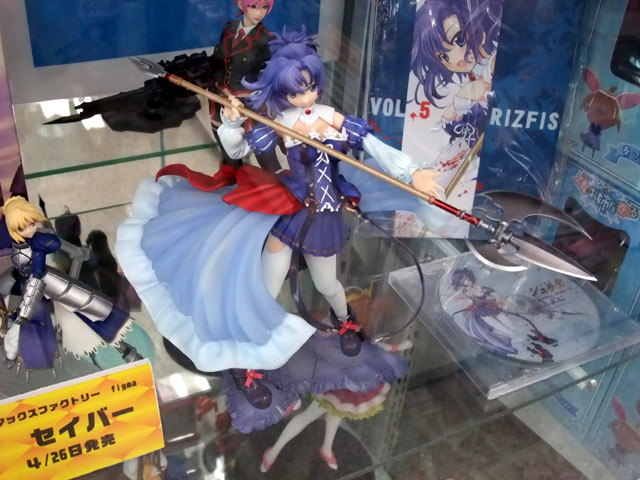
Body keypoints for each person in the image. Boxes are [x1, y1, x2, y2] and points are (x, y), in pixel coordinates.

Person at [116, 29, 438, 432]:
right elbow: (237, 151)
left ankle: (346, 322)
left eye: (311, 87)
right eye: (297, 91)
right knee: (264, 292)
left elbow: (373, 145)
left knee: (328, 284)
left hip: (324, 216)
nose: (307, 96)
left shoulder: (331, 118)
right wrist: (232, 123)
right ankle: (249, 362)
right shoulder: (275, 122)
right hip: (288, 211)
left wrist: (411, 172)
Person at [1, 197, 132, 375]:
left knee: (86, 318)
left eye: (32, 224)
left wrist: (77, 255)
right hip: (34, 287)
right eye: (23, 227)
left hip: (48, 285)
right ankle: (14, 354)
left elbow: (41, 270)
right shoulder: (21, 242)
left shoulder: (40, 244)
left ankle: (125, 351)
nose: (30, 229)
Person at [411, 0, 502, 188]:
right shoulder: (473, 77)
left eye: (459, 40)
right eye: (443, 57)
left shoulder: (493, 64)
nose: (457, 61)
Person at [209, 0, 280, 171]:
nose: (259, 13)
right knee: (228, 153)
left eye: (264, 7)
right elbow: (219, 61)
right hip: (221, 98)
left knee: (265, 154)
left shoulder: (266, 39)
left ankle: (275, 182)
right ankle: (232, 177)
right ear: (241, 4)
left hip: (249, 102)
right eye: (253, 6)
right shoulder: (229, 28)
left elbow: (275, 72)